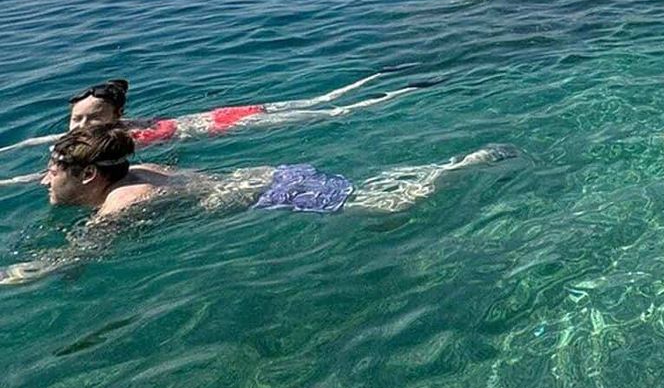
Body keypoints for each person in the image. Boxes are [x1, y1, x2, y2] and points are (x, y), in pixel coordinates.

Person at [0, 125, 516, 284]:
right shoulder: (134, 173)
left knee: (390, 208)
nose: (44, 179)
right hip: (263, 180)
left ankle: (463, 167)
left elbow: (79, 255)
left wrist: (25, 274)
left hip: (272, 194)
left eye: (53, 171)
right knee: (378, 198)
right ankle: (452, 166)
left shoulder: (122, 202)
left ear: (88, 175)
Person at [0, 71, 437, 164]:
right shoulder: (107, 133)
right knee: (325, 101)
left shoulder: (119, 139)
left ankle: (389, 90)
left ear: (115, 116)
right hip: (224, 115)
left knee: (330, 107)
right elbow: (40, 146)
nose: (79, 128)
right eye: (75, 120)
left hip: (232, 121)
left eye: (89, 120)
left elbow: (57, 156)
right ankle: (385, 80)